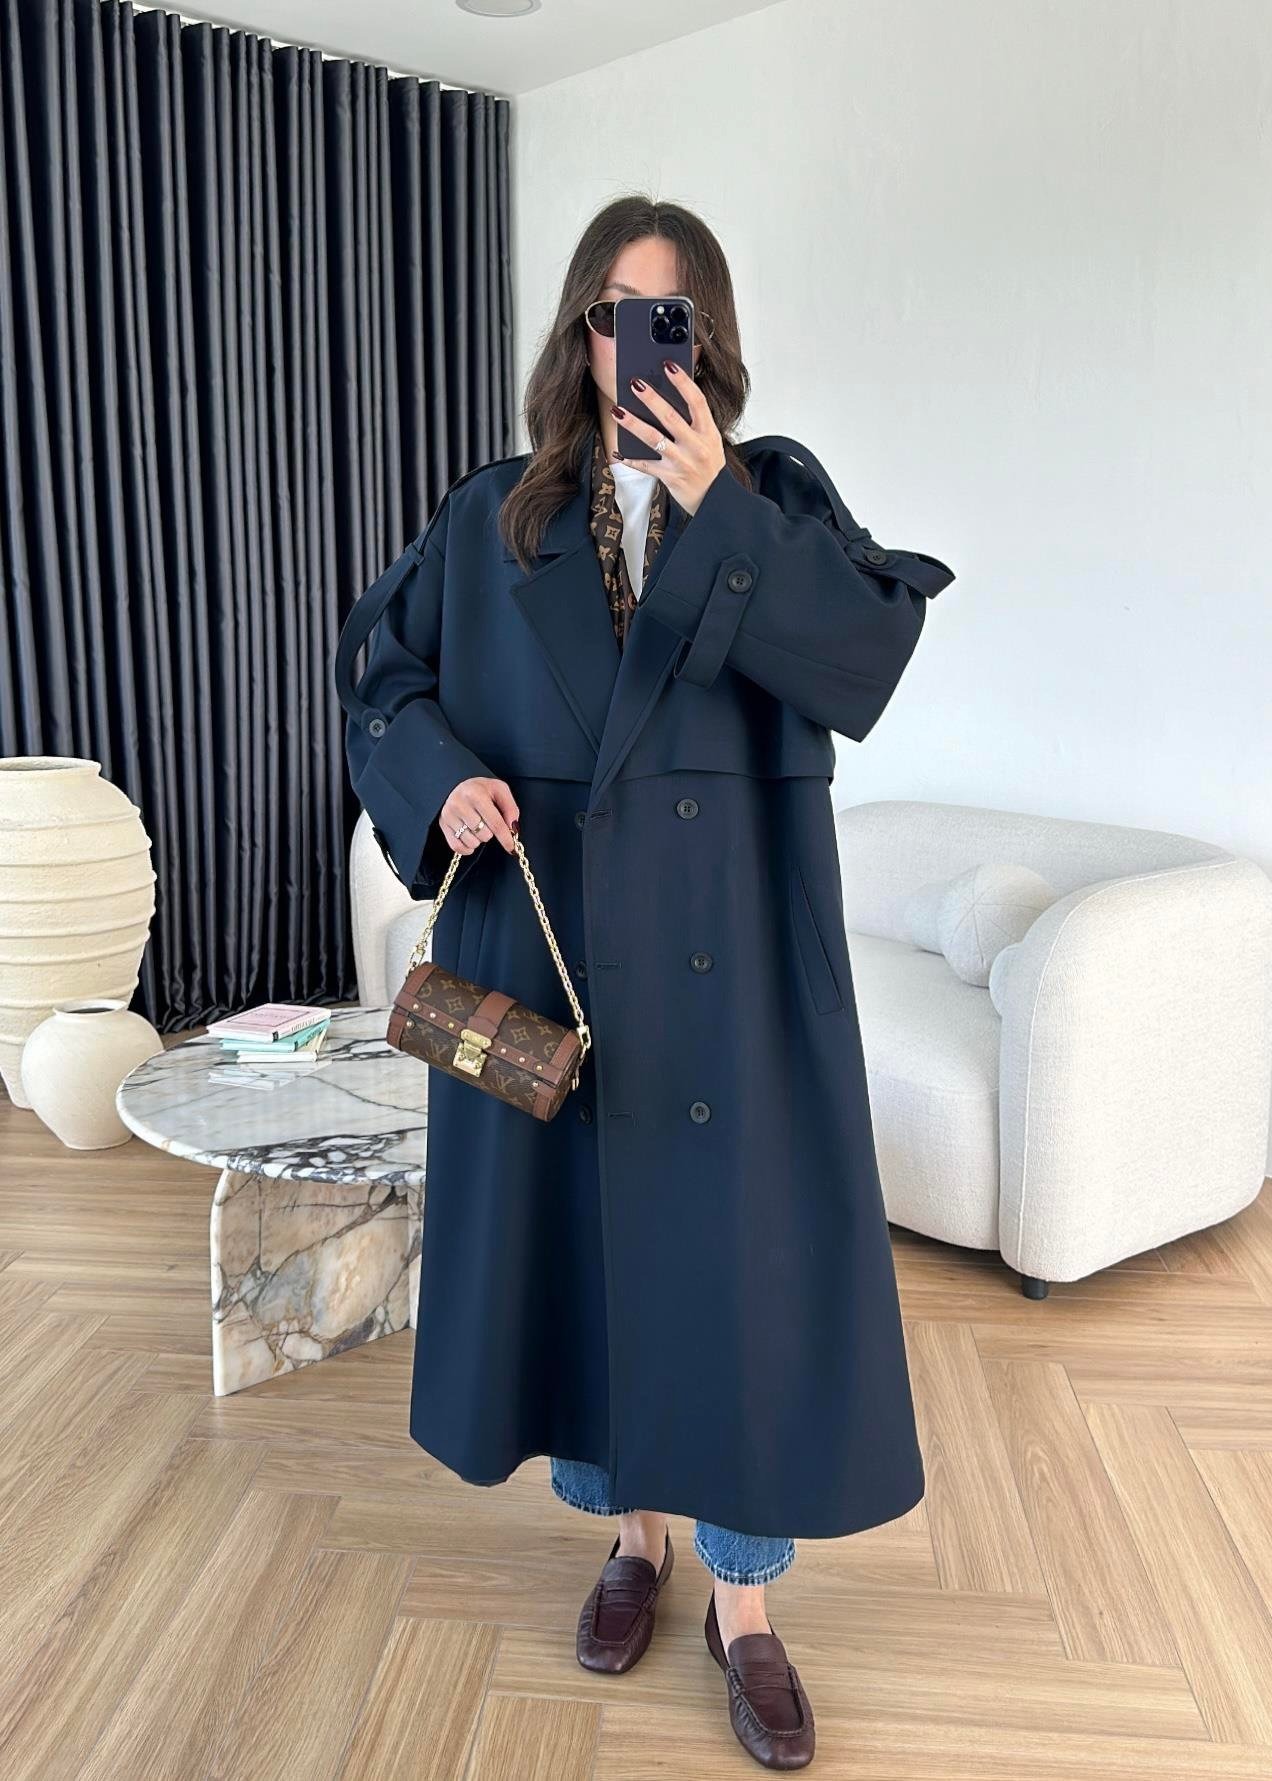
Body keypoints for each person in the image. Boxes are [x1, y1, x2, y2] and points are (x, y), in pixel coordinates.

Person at [337, 194, 955, 1772]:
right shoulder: (497, 515)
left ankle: (747, 1605)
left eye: (670, 316)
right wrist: (441, 776)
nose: (640, 344)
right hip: (553, 946)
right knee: (590, 1262)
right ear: (581, 329)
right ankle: (633, 1537)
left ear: (711, 338)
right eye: (616, 312)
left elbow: (864, 664)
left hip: (731, 955)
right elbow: (382, 673)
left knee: (741, 1277)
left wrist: (713, 500)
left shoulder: (773, 495)